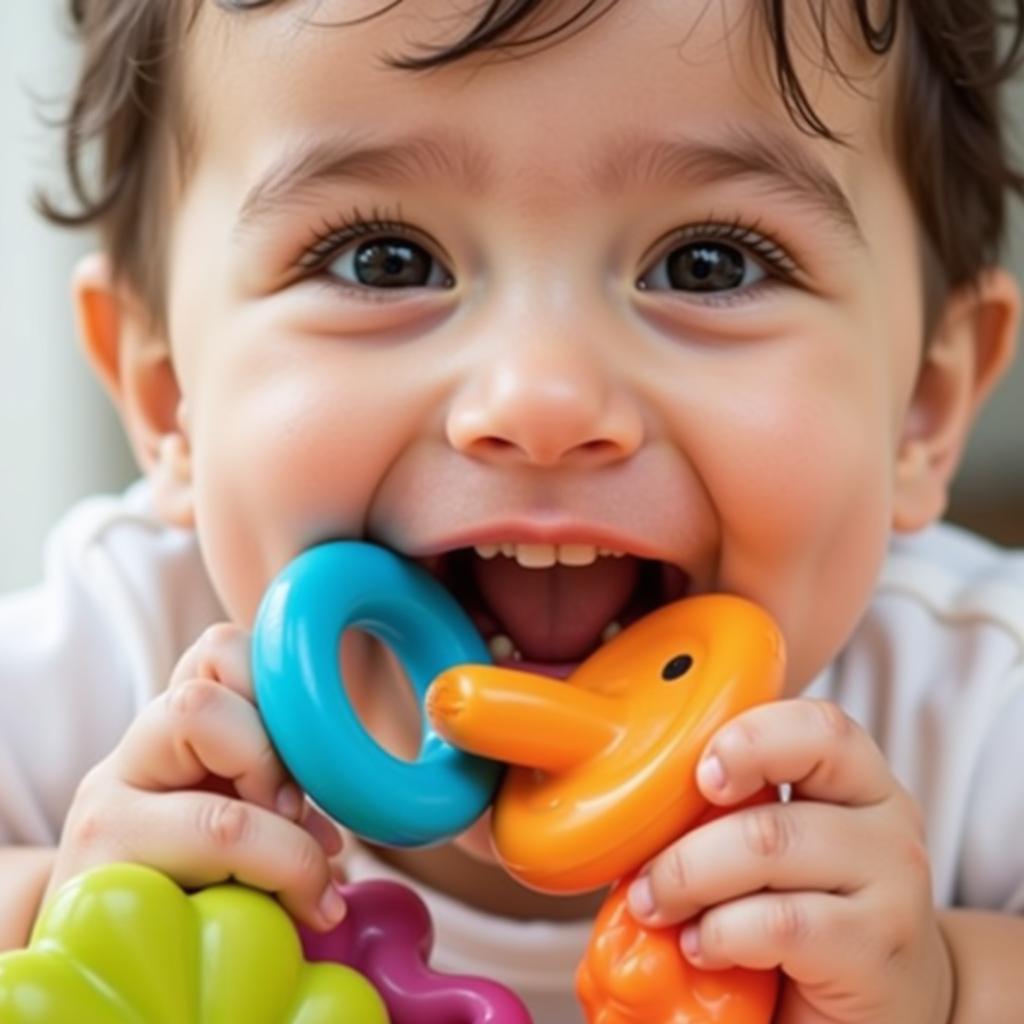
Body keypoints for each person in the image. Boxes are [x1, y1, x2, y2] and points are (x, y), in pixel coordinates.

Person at [2, 0, 1024, 1019]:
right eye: (385, 259)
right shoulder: (108, 667)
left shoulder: (979, 712)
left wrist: (945, 988)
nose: (540, 399)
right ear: (166, 392)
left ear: (921, 410)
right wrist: (65, 920)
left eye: (707, 263)